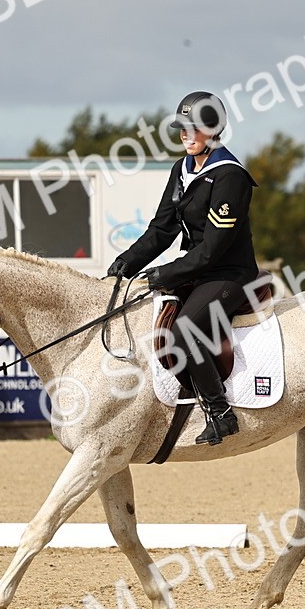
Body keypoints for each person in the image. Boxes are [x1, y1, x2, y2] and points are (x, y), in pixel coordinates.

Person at [107, 91, 261, 445]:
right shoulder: (182, 169)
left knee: (184, 331)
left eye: (194, 130)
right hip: (195, 271)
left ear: (213, 130)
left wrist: (165, 274)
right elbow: (162, 229)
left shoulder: (230, 176)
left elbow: (212, 250)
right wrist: (125, 264)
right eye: (182, 131)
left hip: (228, 273)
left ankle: (221, 413)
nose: (187, 137)